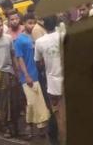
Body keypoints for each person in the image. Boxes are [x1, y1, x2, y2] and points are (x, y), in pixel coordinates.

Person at [14, 13, 50, 139]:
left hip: (38, 74)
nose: (32, 25)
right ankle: (29, 126)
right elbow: (20, 59)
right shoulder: (19, 40)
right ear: (23, 23)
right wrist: (26, 75)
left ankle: (41, 129)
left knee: (39, 102)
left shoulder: (35, 37)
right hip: (28, 76)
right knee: (31, 103)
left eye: (34, 22)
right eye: (29, 22)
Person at [35, 15, 65, 143]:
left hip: (52, 83)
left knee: (59, 117)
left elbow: (37, 62)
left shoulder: (40, 42)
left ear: (44, 25)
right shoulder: (63, 36)